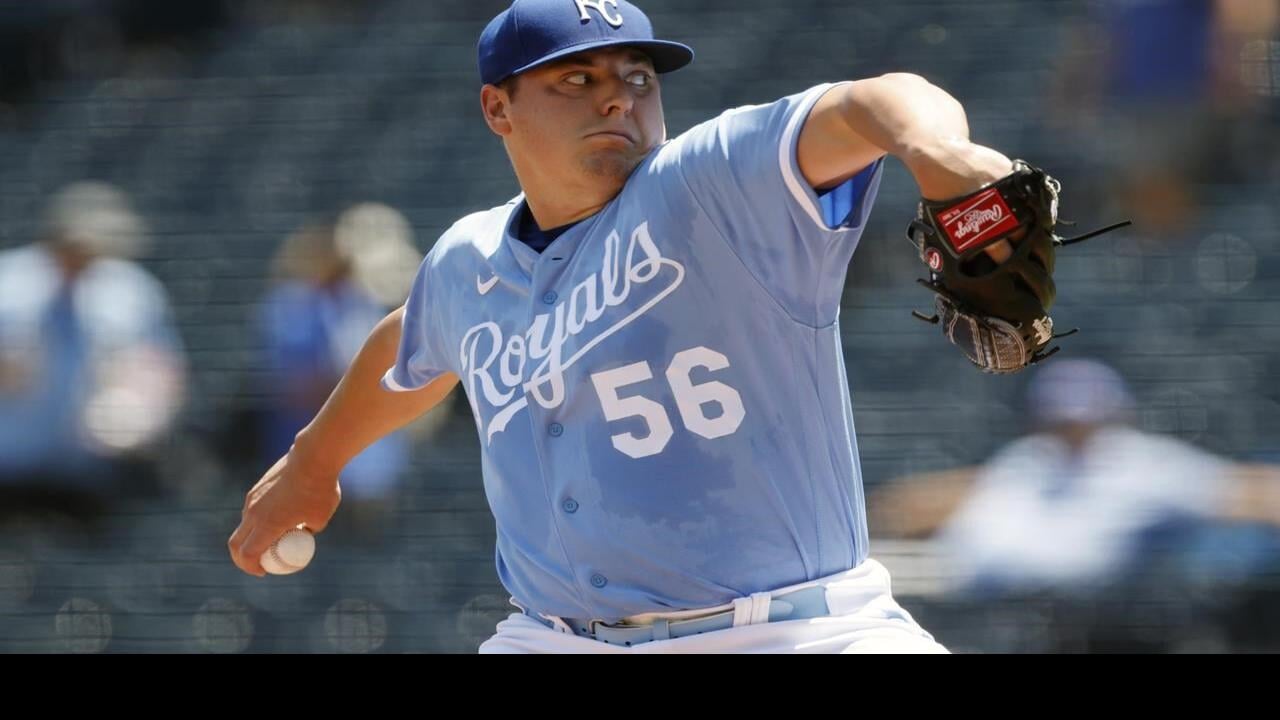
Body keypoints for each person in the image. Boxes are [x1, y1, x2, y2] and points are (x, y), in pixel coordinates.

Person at [229, 0, 1071, 653]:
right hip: (557, 635)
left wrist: (939, 150)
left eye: (637, 76)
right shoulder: (470, 259)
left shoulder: (709, 181)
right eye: (576, 79)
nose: (617, 98)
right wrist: (314, 462)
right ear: (498, 107)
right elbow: (411, 342)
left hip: (797, 631)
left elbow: (877, 101)